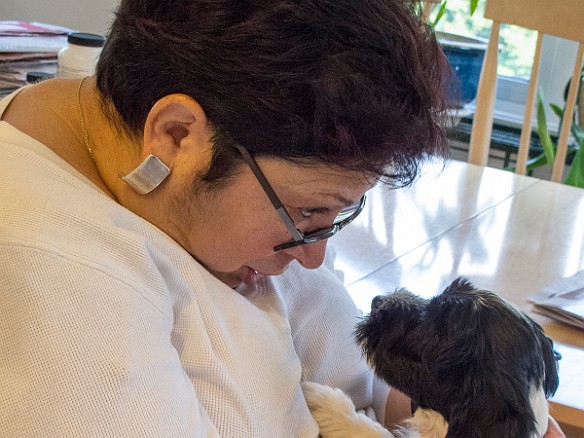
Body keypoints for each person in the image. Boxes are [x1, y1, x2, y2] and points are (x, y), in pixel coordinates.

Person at [0, 0, 565, 436]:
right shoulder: (62, 291)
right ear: (176, 135)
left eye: (338, 214)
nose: (315, 256)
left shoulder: (210, 188)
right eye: (309, 212)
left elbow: (356, 369)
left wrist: (480, 407)